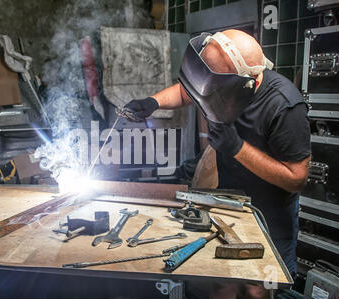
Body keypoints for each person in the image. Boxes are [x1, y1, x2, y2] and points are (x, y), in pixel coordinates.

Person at [120, 29, 311, 284]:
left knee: (260, 287)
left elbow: (296, 178)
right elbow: (190, 91)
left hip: (270, 216)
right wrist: (153, 103)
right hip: (229, 203)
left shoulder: (285, 106)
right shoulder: (225, 84)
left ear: (247, 83)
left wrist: (237, 148)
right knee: (226, 281)